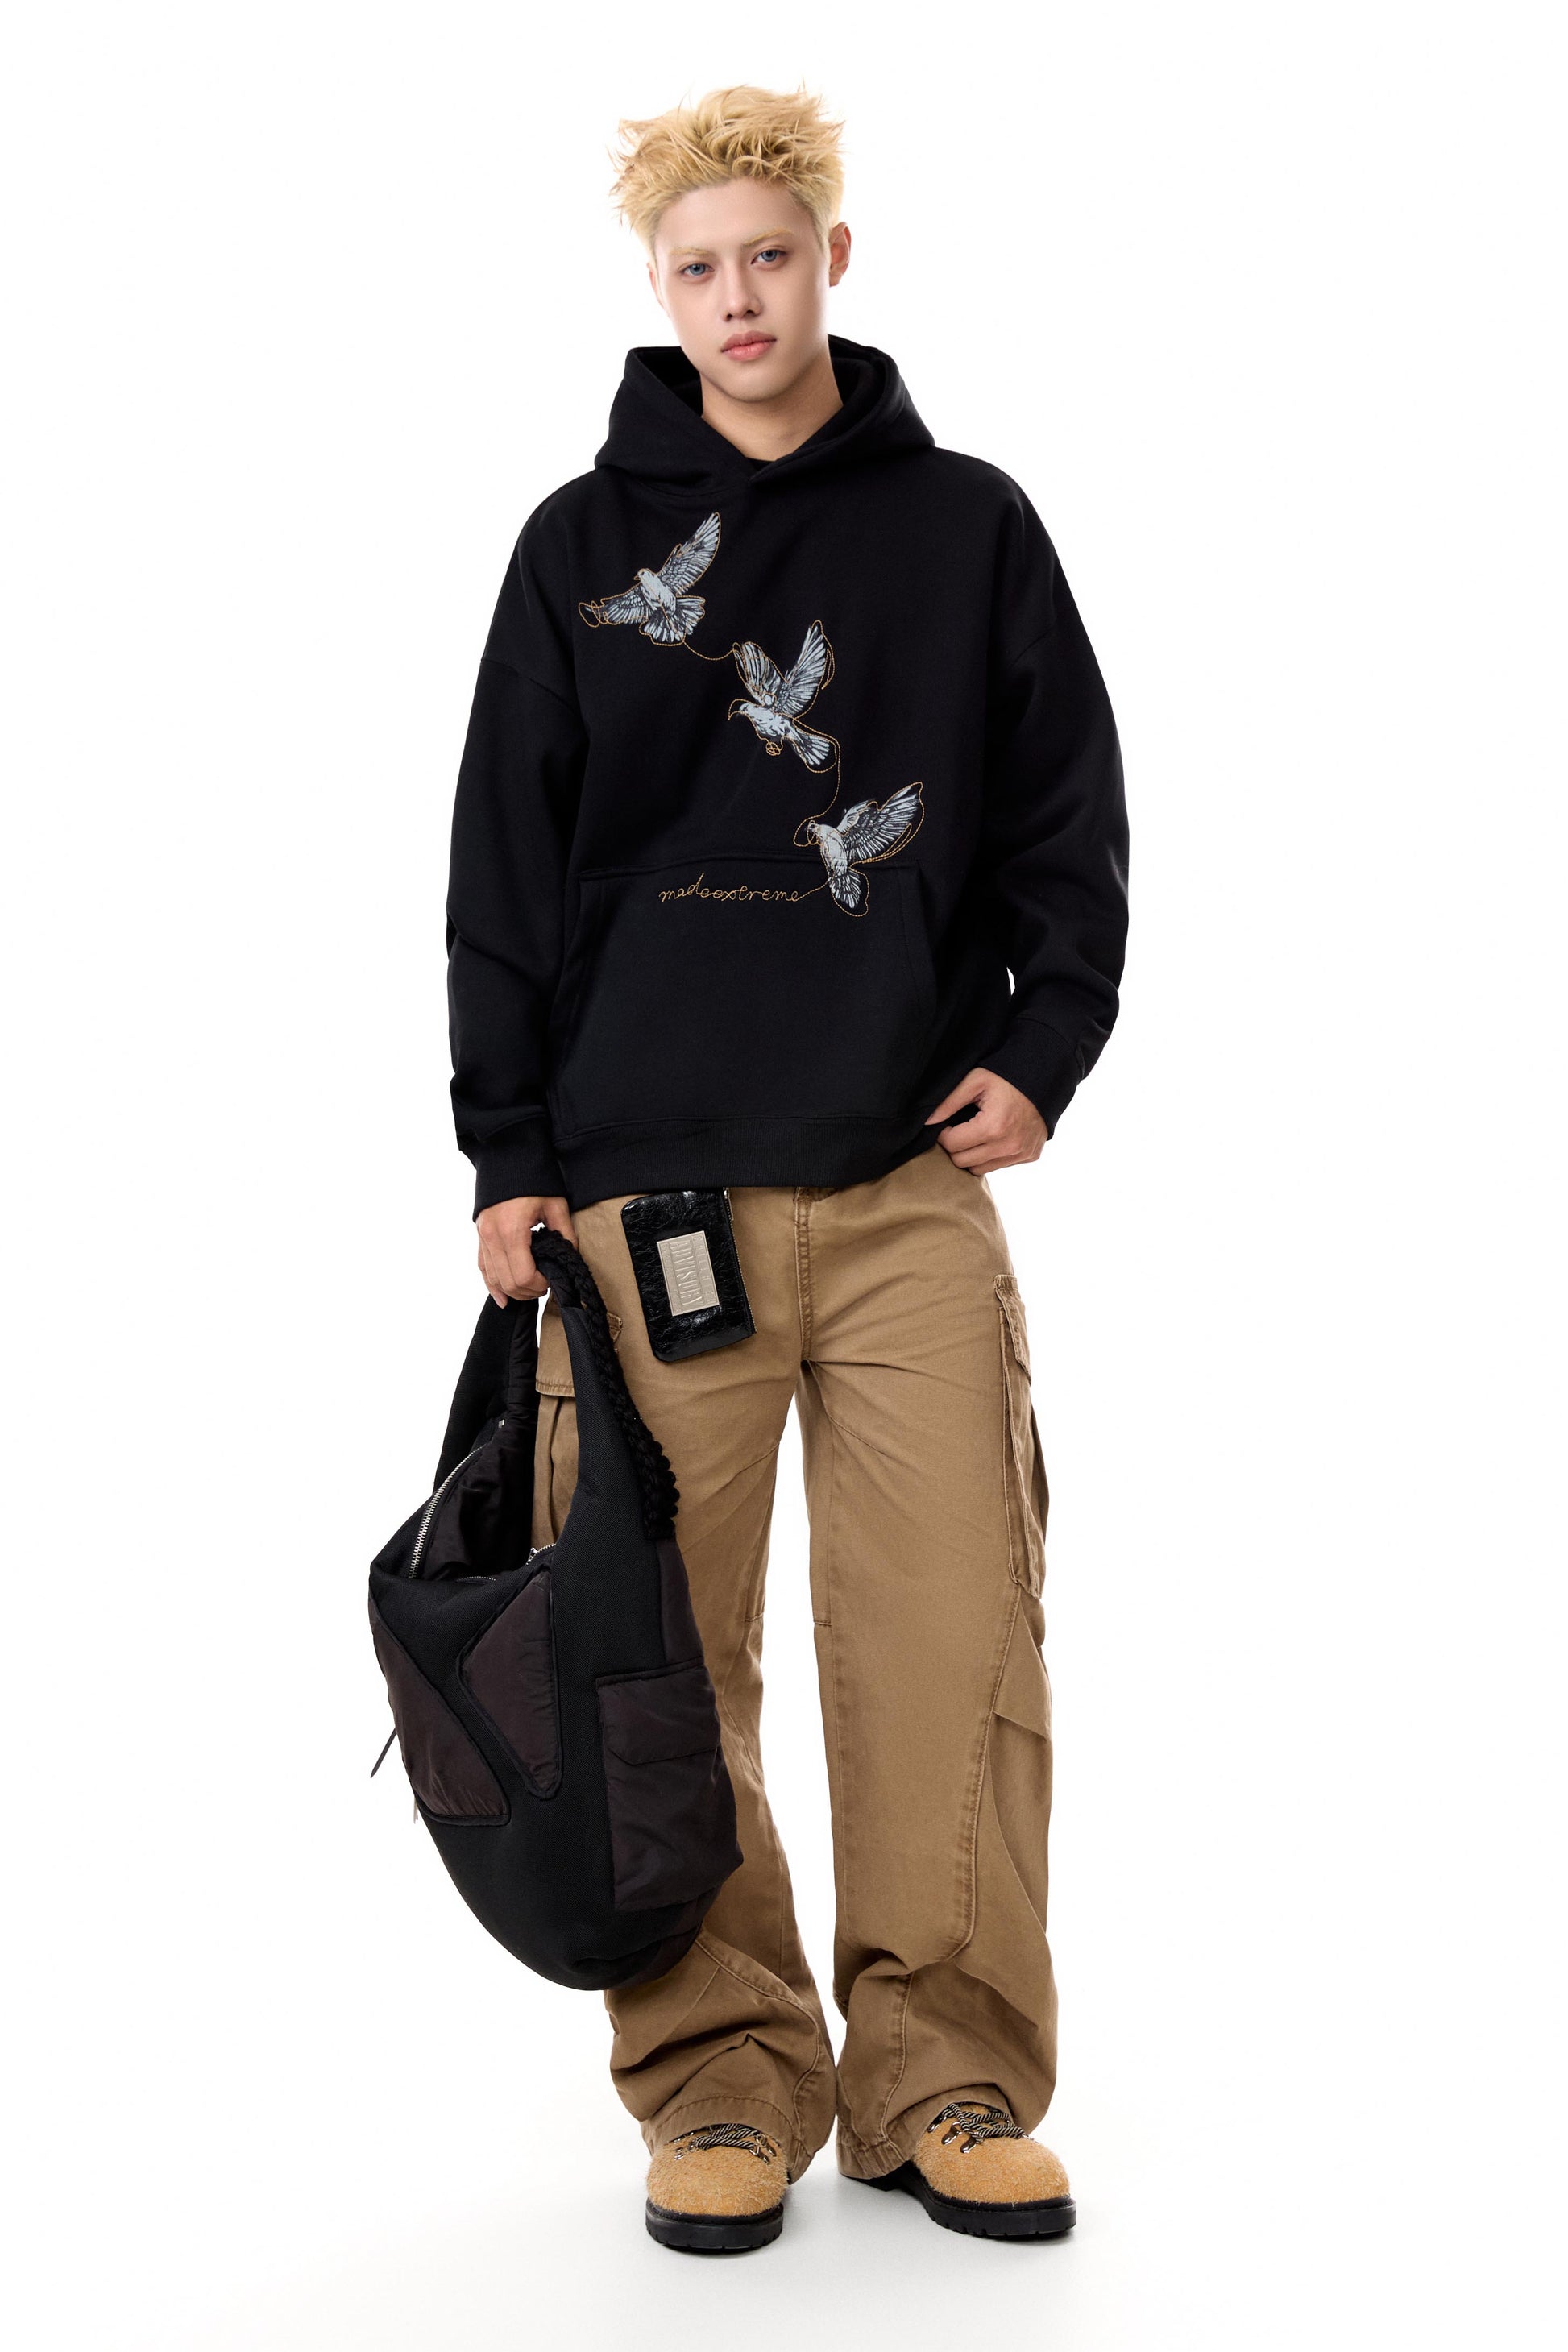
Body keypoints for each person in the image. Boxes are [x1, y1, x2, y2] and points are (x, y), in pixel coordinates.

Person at [445, 83, 1128, 2252]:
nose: (737, 299)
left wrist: (1042, 1047)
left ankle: (945, 2076)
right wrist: (507, 1153)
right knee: (664, 1666)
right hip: (644, 1198)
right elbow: (502, 870)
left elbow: (1066, 817)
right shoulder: (575, 547)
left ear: (835, 254)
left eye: (769, 254)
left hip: (908, 1184)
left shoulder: (968, 526)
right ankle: (719, 2080)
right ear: (657, 289)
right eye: (696, 268)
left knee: (953, 1642)